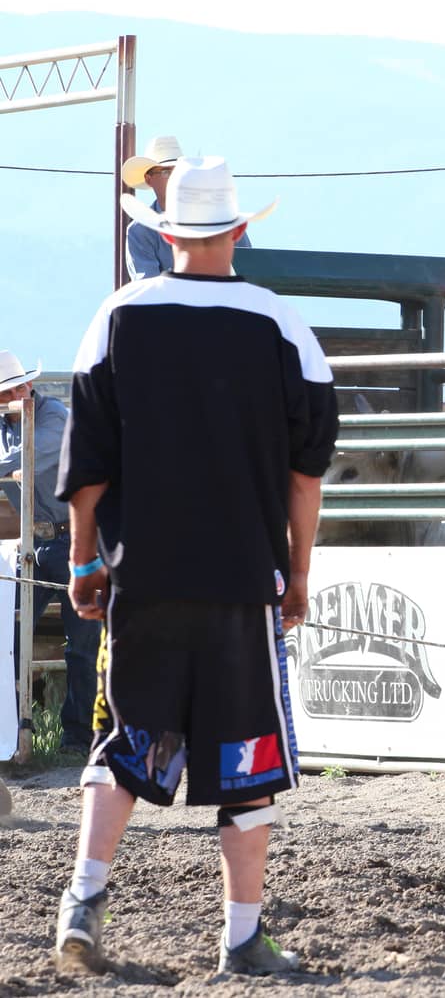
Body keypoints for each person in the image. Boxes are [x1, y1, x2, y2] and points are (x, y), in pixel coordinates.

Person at [54, 157, 337, 976]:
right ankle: (243, 934)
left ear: (165, 233)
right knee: (248, 759)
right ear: (241, 231)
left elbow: (89, 465)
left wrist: (84, 561)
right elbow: (305, 474)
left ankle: (83, 898)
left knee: (124, 740)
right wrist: (299, 573)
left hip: (143, 575)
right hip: (241, 578)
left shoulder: (119, 316)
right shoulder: (282, 325)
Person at [0, 351, 100, 753]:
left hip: (73, 540)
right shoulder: (16, 423)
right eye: (12, 388)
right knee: (8, 635)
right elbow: (11, 466)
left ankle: (78, 738)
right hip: (35, 542)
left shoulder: (55, 415)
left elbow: (21, 457)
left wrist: (8, 468)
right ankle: (13, 732)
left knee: (82, 644)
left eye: (22, 384)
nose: (23, 391)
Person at [122, 136, 251, 281]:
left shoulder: (221, 220)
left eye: (178, 171)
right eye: (166, 172)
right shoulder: (140, 230)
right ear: (148, 179)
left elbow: (250, 269)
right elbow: (148, 286)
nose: (173, 178)